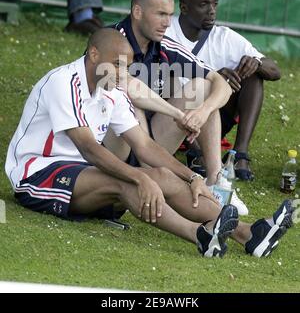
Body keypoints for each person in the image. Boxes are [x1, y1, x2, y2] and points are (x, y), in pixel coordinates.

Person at [5, 28, 294, 258]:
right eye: (117, 65)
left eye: (127, 67)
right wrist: (138, 177)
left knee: (161, 176)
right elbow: (88, 149)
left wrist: (192, 176)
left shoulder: (113, 89)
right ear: (93, 54)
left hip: (82, 176)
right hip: (37, 175)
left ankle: (249, 234)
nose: (122, 73)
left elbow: (144, 145)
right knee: (132, 181)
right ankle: (201, 236)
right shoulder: (63, 81)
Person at [108, 0, 249, 215]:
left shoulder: (164, 45)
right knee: (126, 100)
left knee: (203, 89)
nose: (167, 22)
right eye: (160, 14)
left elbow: (220, 83)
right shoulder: (111, 40)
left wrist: (202, 112)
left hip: (149, 147)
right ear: (137, 12)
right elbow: (127, 86)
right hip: (110, 148)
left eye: (170, 15)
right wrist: (178, 114)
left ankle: (215, 183)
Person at [166, 0, 281, 181]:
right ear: (184, 8)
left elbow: (275, 71)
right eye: (204, 4)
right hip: (173, 114)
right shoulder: (167, 32)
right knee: (171, 81)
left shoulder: (224, 36)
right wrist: (213, 79)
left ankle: (239, 155)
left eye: (215, 3)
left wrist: (257, 63)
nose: (212, 10)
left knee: (254, 74)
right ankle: (198, 154)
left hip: (211, 116)